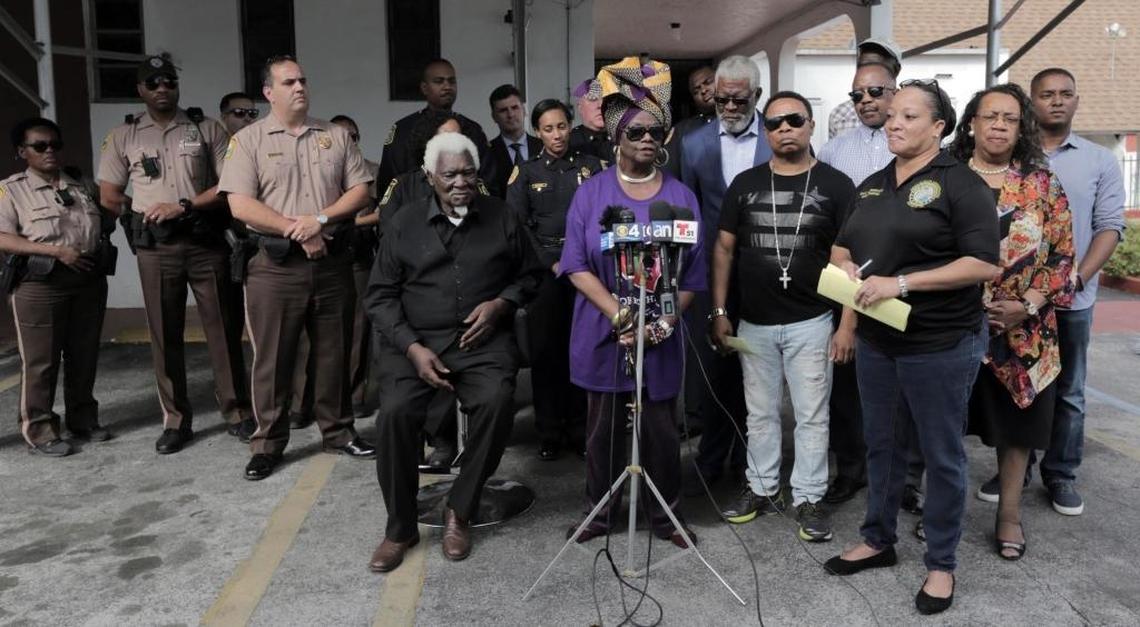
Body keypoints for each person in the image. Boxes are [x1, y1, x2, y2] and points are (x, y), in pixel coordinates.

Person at [824, 80, 1000, 616]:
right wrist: (846, 275)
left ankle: (941, 563)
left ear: (939, 127)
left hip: (941, 342)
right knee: (882, 444)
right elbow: (843, 247)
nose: (894, 122)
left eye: (908, 115)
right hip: (879, 340)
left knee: (942, 455)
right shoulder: (873, 184)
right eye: (892, 115)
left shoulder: (961, 184)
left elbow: (983, 263)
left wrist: (901, 284)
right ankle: (878, 538)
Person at [365, 132, 543, 572]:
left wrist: (503, 303)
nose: (460, 182)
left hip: (481, 343)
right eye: (450, 175)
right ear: (430, 177)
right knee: (395, 415)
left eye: (468, 172)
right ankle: (400, 527)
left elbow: (532, 275)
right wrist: (412, 348)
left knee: (497, 401)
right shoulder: (403, 224)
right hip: (416, 342)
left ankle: (459, 509)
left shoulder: (501, 217)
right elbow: (380, 297)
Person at [560, 57, 706, 546]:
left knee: (662, 433)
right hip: (604, 333)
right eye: (636, 131)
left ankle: (665, 517)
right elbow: (576, 265)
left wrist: (660, 324)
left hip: (660, 337)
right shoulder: (591, 195)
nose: (647, 139)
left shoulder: (682, 198)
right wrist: (621, 314)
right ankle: (600, 513)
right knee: (602, 431)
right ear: (617, 137)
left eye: (655, 131)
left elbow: (693, 274)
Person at [218, 55, 376, 480]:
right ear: (269, 93)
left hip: (331, 262)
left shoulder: (336, 136)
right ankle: (268, 442)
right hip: (275, 267)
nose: (300, 87)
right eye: (289, 82)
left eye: (303, 80)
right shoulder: (248, 140)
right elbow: (240, 203)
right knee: (273, 358)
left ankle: (339, 431)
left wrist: (318, 221)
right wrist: (296, 228)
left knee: (334, 350)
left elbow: (361, 190)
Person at [976, 68, 1126, 516]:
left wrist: (1072, 279)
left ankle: (1060, 473)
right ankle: (1015, 470)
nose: (1057, 102)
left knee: (1067, 392)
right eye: (1046, 95)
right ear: (1031, 105)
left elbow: (1109, 227)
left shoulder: (1098, 160)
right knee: (1013, 386)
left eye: (1066, 94)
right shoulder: (1006, 159)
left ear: (1077, 100)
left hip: (1070, 297)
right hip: (1006, 303)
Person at [712, 91, 856, 542]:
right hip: (753, 321)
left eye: (794, 119)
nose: (784, 129)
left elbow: (851, 259)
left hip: (813, 321)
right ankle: (760, 487)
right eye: (773, 123)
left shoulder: (836, 185)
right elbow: (723, 249)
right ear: (766, 131)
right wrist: (719, 309)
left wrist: (847, 324)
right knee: (760, 413)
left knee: (812, 415)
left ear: (811, 124)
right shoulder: (745, 182)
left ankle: (809, 497)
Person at [97, 55, 251, 454]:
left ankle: (236, 411)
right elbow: (109, 195)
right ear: (140, 90)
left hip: (203, 242)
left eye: (169, 81)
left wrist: (181, 206)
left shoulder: (205, 128)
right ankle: (176, 420)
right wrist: (145, 212)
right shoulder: (123, 136)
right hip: (157, 248)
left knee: (223, 329)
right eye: (153, 83)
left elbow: (226, 185)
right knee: (165, 335)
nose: (162, 88)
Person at [950, 83, 1075, 560]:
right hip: (955, 324)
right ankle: (943, 513)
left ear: (1021, 127)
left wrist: (1029, 302)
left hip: (1025, 331)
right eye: (990, 116)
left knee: (1016, 431)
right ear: (972, 124)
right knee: (945, 427)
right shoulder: (948, 178)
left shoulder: (1042, 183)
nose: (999, 125)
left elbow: (1064, 256)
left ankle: (1009, 516)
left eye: (1009, 118)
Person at [818, 61, 921, 508]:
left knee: (906, 392)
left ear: (895, 94)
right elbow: (835, 231)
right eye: (857, 94)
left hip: (906, 283)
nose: (866, 101)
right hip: (848, 278)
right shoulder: (835, 150)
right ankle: (851, 470)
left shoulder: (918, 147)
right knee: (847, 386)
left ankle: (908, 481)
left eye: (876, 92)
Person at [679, 55, 772, 492]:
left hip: (766, 275)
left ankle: (755, 462)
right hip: (711, 273)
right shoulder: (693, 143)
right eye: (722, 100)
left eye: (738, 100)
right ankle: (713, 459)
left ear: (756, 96)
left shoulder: (776, 141)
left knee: (757, 368)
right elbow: (687, 214)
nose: (729, 108)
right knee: (714, 370)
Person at [1, 118, 112, 456]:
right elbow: (3, 237)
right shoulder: (10, 189)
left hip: (87, 280)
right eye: (39, 146)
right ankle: (40, 429)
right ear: (23, 152)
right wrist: (56, 251)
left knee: (83, 355)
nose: (49, 151)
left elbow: (106, 216)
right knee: (41, 361)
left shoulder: (79, 185)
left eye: (54, 145)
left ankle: (82, 420)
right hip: (41, 284)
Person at [505, 98, 604, 460]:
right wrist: (550, 262)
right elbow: (518, 225)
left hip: (587, 271)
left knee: (583, 350)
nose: (557, 135)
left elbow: (602, 218)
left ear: (570, 125)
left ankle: (579, 428)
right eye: (548, 129)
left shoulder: (592, 168)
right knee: (547, 354)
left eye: (562, 126)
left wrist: (578, 261)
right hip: (545, 274)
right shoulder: (527, 172)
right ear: (537, 132)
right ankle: (548, 431)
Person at [289, 114, 382, 431]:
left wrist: (346, 223)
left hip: (356, 256)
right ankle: (302, 403)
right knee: (307, 336)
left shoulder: (372, 170)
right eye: (342, 135)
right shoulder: (314, 169)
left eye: (353, 135)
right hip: (316, 257)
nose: (348, 141)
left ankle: (354, 397)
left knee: (357, 332)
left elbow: (384, 210)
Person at [376, 59, 488, 194]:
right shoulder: (403, 129)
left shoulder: (472, 129)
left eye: (451, 81)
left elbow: (488, 180)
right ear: (424, 88)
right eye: (439, 81)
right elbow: (390, 181)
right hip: (413, 209)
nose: (447, 86)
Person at [828, 38, 902, 140]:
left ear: (896, 69)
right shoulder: (839, 114)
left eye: (875, 91)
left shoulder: (914, 113)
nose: (870, 68)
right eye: (864, 64)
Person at [481, 84, 542, 198]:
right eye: (503, 110)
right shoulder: (487, 154)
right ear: (494, 116)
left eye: (515, 107)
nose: (510, 114)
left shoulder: (543, 147)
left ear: (524, 110)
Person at [661, 64, 716, 180]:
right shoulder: (683, 130)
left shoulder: (741, 120)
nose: (703, 90)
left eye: (708, 82)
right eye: (696, 91)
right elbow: (669, 172)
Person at [568, 78, 614, 163]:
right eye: (593, 99)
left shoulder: (623, 139)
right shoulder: (568, 142)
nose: (600, 105)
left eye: (605, 99)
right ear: (580, 107)